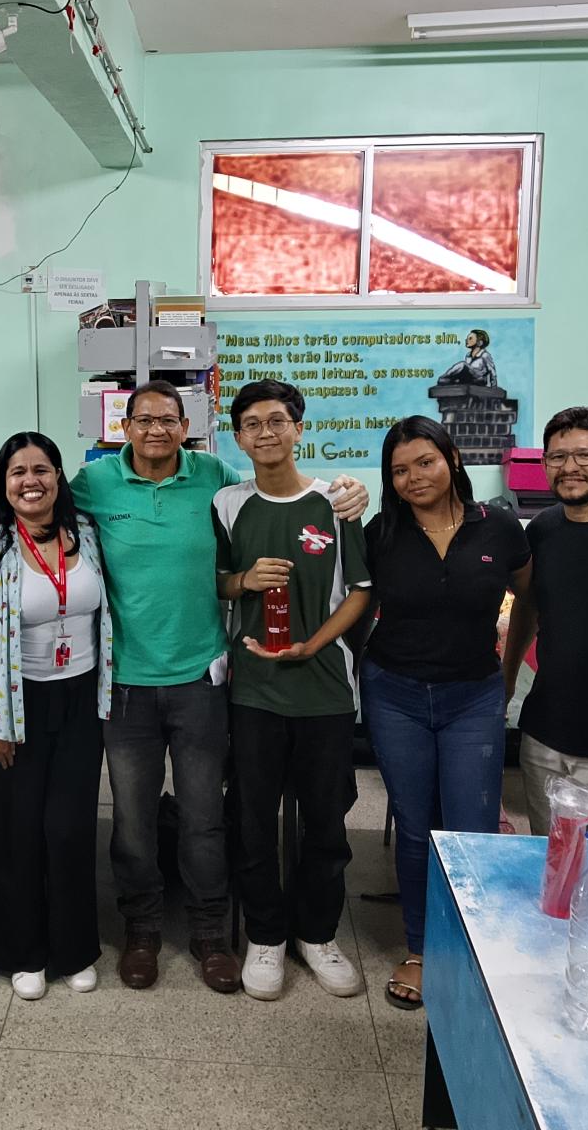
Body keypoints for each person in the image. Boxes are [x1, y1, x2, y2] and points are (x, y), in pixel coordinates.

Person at [0, 379, 369, 994]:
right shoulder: (94, 483)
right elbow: (30, 504)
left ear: (185, 426)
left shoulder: (215, 479)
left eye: (168, 419)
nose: (155, 430)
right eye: (143, 420)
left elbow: (276, 490)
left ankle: (209, 933)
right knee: (132, 821)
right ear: (124, 427)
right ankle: (142, 929)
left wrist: (348, 490)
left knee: (204, 818)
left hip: (201, 679)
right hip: (123, 686)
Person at [362, 416, 531, 1012]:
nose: (413, 477)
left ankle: (472, 945)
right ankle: (421, 948)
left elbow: (529, 599)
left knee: (471, 827)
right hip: (395, 693)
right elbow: (356, 604)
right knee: (415, 825)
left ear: (452, 458)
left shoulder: (499, 526)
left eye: (425, 462)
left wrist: (508, 674)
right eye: (399, 470)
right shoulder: (381, 532)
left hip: (472, 696)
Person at [214, 381, 371, 1001]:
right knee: (253, 818)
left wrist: (313, 644)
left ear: (299, 429)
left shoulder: (336, 501)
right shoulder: (228, 503)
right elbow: (217, 582)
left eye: (277, 421)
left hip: (324, 688)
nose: (266, 433)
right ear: (238, 437)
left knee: (326, 821)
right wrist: (244, 581)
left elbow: (360, 591)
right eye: (252, 424)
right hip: (254, 689)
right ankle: (266, 936)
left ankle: (318, 933)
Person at [0, 431, 110, 1000]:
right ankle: (21, 951)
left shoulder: (87, 533)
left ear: (58, 477)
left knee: (69, 828)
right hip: (16, 702)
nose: (31, 481)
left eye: (42, 469)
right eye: (18, 471)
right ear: (3, 483)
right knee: (15, 828)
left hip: (81, 699)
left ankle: (74, 949)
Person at [502, 407, 588, 834]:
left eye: (585, 455)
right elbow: (527, 608)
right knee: (550, 856)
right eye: (557, 457)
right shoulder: (541, 529)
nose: (570, 467)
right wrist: (507, 679)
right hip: (545, 730)